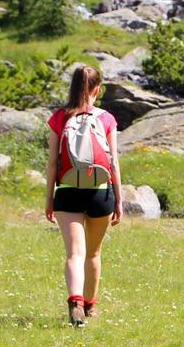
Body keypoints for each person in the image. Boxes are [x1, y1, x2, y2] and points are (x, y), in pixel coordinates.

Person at [45, 66, 123, 327]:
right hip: (100, 192)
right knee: (93, 254)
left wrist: (49, 199)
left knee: (74, 254)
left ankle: (75, 301)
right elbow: (113, 163)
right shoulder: (107, 119)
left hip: (67, 194)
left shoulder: (59, 118)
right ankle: (89, 307)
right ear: (97, 90)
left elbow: (53, 164)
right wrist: (119, 200)